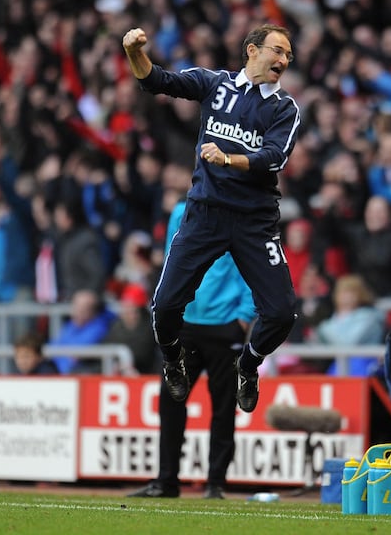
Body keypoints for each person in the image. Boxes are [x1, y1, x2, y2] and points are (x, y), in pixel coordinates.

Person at [122, 24, 300, 412]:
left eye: (288, 55)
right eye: (278, 51)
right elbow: (155, 81)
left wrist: (228, 158)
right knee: (165, 306)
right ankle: (173, 360)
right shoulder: (214, 84)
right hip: (205, 214)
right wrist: (133, 50)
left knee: (283, 313)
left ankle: (249, 364)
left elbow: (274, 157)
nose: (284, 61)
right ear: (252, 50)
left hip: (255, 221)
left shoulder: (284, 108)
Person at [129, 199, 256, 499]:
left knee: (223, 407)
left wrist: (244, 317)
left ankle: (215, 483)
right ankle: (167, 480)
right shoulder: (180, 211)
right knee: (171, 402)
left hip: (225, 324)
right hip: (186, 322)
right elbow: (173, 260)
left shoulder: (241, 210)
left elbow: (252, 264)